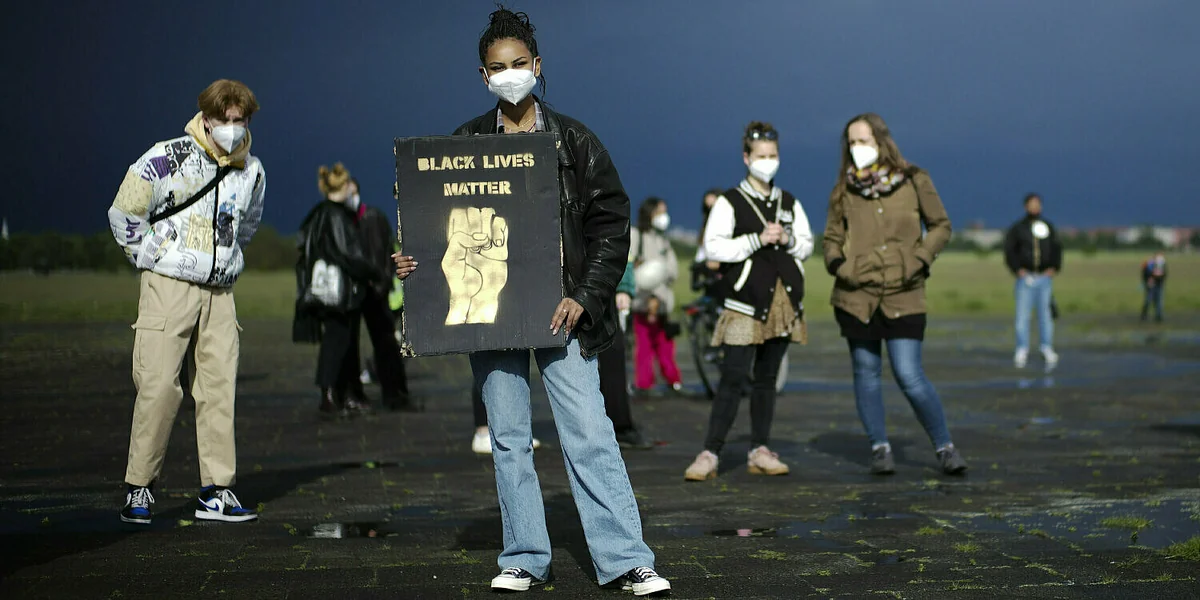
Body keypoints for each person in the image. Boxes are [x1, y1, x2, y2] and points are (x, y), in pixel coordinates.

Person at [392, 8, 668, 595]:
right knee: (509, 437)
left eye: (519, 63)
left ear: (538, 66)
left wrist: (585, 297)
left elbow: (611, 226)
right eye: (498, 67)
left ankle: (625, 559)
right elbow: (433, 225)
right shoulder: (463, 144)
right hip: (493, 315)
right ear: (483, 75)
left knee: (590, 432)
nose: (510, 74)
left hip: (563, 315)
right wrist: (412, 262)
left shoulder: (575, 141)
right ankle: (523, 556)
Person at [106, 79, 265, 524]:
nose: (232, 128)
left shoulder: (252, 171)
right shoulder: (167, 158)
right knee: (158, 386)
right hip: (169, 285)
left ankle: (217, 490)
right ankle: (139, 487)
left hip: (220, 292)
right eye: (223, 119)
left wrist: (226, 259)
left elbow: (247, 225)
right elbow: (124, 211)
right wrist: (151, 255)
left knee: (218, 391)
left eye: (239, 120)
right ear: (206, 119)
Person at [821, 113, 968, 476]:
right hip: (857, 296)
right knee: (866, 372)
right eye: (851, 142)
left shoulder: (915, 179)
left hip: (905, 292)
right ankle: (879, 447)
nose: (857, 148)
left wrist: (918, 260)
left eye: (864, 140)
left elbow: (941, 225)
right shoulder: (844, 190)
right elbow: (831, 240)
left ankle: (945, 446)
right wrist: (841, 267)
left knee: (909, 374)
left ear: (881, 141)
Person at [684, 121, 812, 482]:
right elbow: (714, 247)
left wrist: (787, 239)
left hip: (782, 302)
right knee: (733, 377)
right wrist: (756, 240)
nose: (767, 161)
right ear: (746, 158)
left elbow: (806, 245)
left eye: (773, 155)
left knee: (767, 379)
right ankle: (710, 453)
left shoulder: (789, 202)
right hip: (743, 302)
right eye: (761, 156)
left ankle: (760, 449)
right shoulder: (730, 201)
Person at [294, 164, 384, 418]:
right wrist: (373, 272)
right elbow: (349, 254)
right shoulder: (335, 215)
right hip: (339, 295)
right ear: (343, 186)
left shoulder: (319, 213)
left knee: (341, 343)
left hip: (327, 293)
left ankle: (340, 395)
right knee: (336, 344)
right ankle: (329, 396)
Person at [348, 178, 415, 411]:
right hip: (358, 290)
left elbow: (383, 253)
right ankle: (358, 393)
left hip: (376, 291)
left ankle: (394, 393)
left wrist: (380, 283)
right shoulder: (346, 220)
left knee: (385, 344)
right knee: (353, 345)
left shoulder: (372, 217)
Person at [1004, 193, 1063, 369]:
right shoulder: (1018, 229)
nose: (1035, 207)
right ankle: (1022, 348)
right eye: (1032, 204)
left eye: (1037, 204)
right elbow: (1009, 251)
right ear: (1026, 206)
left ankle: (1046, 347)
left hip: (1044, 278)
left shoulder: (1048, 226)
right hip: (1025, 278)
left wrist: (1054, 267)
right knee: (1022, 316)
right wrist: (1017, 270)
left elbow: (1057, 248)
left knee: (1046, 316)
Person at [630, 197, 683, 394]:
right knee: (644, 345)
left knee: (665, 345)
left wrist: (658, 295)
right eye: (660, 212)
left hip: (663, 303)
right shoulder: (636, 236)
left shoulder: (663, 240)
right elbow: (630, 266)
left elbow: (672, 271)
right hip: (641, 301)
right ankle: (644, 384)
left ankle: (673, 380)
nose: (664, 217)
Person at [1141, 251, 1167, 322]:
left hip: (1159, 285)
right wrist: (1147, 281)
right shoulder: (1149, 263)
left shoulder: (1163, 264)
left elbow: (1164, 274)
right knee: (1148, 301)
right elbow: (1144, 273)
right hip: (1151, 286)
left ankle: (1158, 317)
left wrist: (1161, 278)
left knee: (1159, 302)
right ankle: (1144, 315)